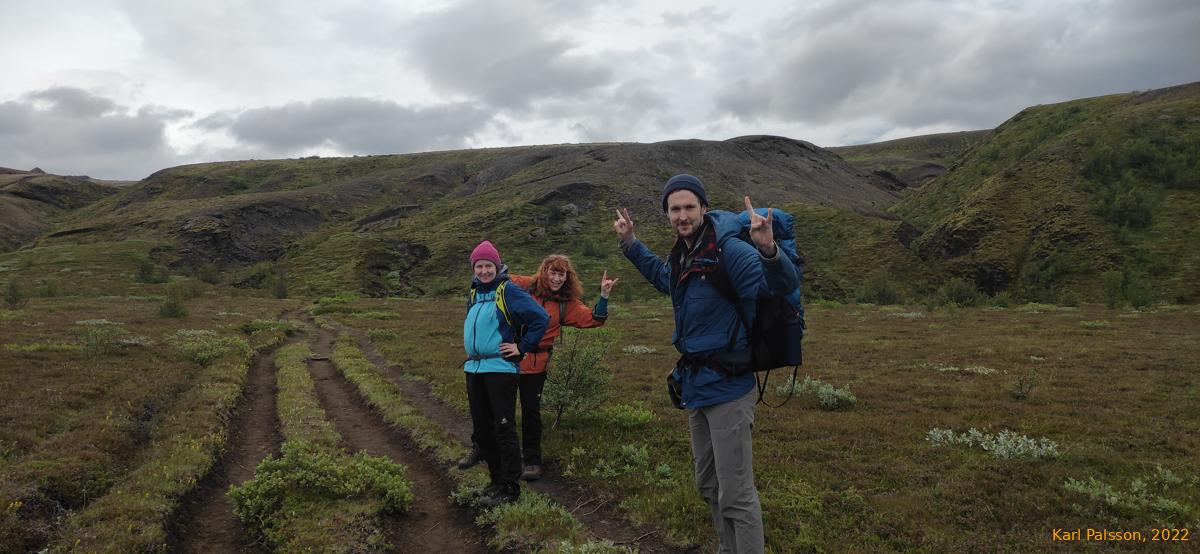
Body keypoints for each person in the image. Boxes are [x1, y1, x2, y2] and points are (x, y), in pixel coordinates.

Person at [612, 174, 798, 554]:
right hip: (697, 387)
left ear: (703, 209)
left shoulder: (730, 251)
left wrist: (768, 251)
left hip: (729, 388)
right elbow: (667, 281)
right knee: (709, 487)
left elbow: (777, 286)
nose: (682, 215)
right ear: (667, 214)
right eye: (675, 209)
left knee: (737, 494)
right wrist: (630, 243)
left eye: (689, 207)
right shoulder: (684, 253)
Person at [506, 255, 618, 481]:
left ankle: (532, 461)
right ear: (544, 271)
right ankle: (501, 454)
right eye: (553, 272)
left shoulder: (566, 303)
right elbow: (497, 279)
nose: (557, 278)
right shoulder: (526, 286)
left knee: (530, 412)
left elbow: (594, 318)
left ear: (567, 277)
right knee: (503, 410)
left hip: (536, 364)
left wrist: (604, 296)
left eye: (561, 274)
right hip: (506, 358)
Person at [461, 240, 549, 507]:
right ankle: (495, 482)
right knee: (483, 431)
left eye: (489, 266)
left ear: (497, 267)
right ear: (474, 268)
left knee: (503, 429)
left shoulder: (507, 290)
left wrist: (521, 347)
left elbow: (540, 318)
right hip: (475, 368)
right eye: (480, 266)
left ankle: (510, 488)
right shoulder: (475, 294)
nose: (484, 270)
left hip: (499, 368)